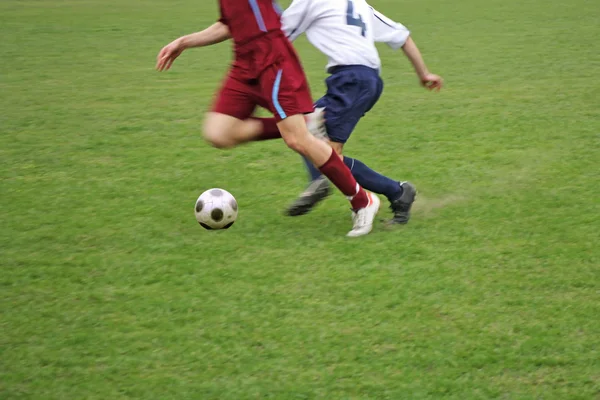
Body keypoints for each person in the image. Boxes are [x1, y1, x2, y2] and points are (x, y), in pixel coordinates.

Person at [155, 0, 380, 237]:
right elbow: (228, 24)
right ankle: (306, 123)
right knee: (218, 133)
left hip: (273, 59)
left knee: (297, 140)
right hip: (244, 62)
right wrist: (184, 42)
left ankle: (362, 201)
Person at [280, 0, 444, 224]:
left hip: (350, 80)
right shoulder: (358, 4)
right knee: (305, 128)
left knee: (325, 154)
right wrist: (423, 73)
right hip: (367, 80)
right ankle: (323, 181)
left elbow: (276, 37)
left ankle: (395, 191)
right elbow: (402, 35)